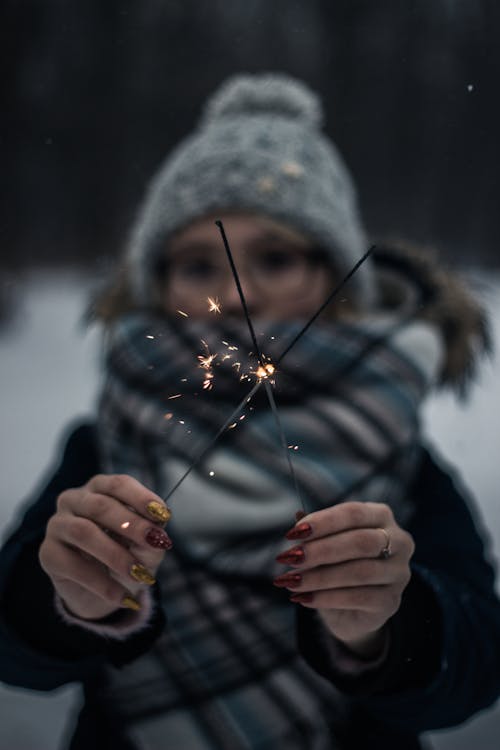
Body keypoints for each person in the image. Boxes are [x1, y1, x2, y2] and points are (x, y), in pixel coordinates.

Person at [1, 73, 499, 750]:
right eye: (200, 265)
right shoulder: (105, 443)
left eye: (275, 257)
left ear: (334, 279)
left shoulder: (399, 456)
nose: (237, 295)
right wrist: (61, 598)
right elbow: (12, 652)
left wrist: (388, 627)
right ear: (157, 285)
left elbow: (475, 668)